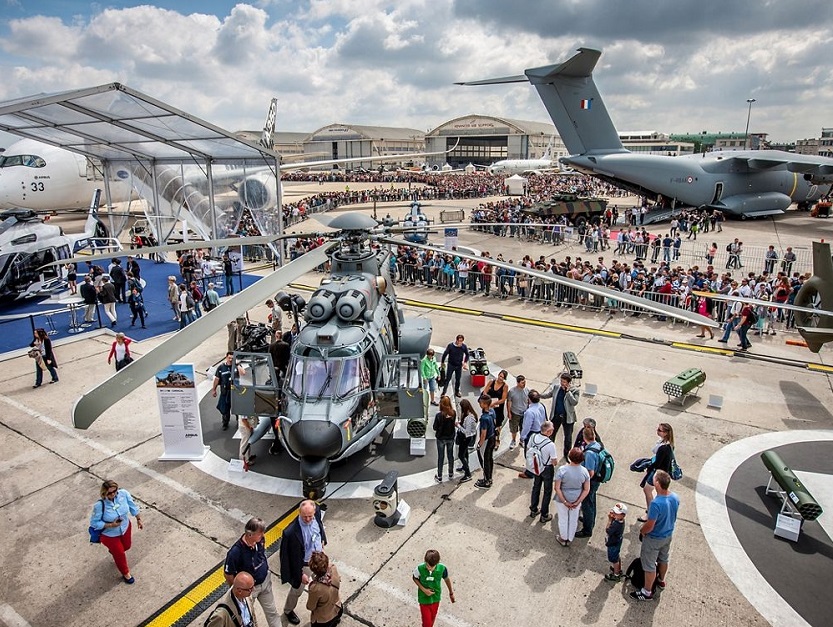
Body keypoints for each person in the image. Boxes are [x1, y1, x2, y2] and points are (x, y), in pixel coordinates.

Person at [631, 470, 680, 601]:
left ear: (657, 483)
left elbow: (650, 525)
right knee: (663, 559)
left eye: (654, 478)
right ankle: (661, 580)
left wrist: (642, 531)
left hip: (654, 538)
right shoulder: (675, 497)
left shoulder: (656, 503)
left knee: (649, 565)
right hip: (668, 535)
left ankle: (647, 591)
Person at [224, 517, 281, 627]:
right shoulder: (235, 552)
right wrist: (238, 589)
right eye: (260, 533)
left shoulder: (260, 540)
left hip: (265, 582)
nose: (263, 535)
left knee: (272, 612)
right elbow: (228, 573)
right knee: (247, 617)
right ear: (250, 535)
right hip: (249, 590)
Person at [280, 500, 328, 626]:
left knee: (325, 585)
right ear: (299, 513)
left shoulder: (316, 515)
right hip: (304, 565)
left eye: (310, 516)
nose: (307, 519)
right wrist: (299, 574)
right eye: (304, 516)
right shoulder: (290, 532)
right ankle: (288, 610)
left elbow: (320, 528)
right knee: (297, 591)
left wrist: (323, 541)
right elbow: (287, 557)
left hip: (319, 560)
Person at [89, 479, 143, 584]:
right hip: (109, 535)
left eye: (115, 491)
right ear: (104, 493)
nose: (113, 494)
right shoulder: (100, 505)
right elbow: (94, 523)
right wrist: (110, 525)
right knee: (120, 554)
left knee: (127, 546)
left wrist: (138, 519)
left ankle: (114, 551)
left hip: (125, 528)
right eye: (110, 493)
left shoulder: (124, 494)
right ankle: (125, 573)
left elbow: (132, 506)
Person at [553, 447, 590, 546]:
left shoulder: (562, 470)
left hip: (562, 498)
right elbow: (586, 489)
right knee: (573, 519)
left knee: (563, 518)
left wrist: (565, 501)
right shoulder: (584, 471)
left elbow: (557, 488)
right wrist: (578, 502)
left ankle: (563, 538)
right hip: (576, 498)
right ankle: (570, 538)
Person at [639, 423, 675, 521]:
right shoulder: (666, 444)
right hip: (661, 472)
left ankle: (650, 513)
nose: (657, 431)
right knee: (651, 491)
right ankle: (652, 511)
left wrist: (647, 466)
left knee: (647, 490)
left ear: (666, 433)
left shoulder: (664, 448)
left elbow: (658, 463)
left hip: (659, 473)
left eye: (660, 430)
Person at [540, 373, 580, 460]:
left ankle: (566, 454)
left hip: (567, 417)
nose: (562, 383)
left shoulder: (575, 390)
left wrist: (568, 392)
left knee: (568, 437)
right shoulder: (556, 388)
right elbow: (549, 395)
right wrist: (539, 395)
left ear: (569, 383)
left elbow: (574, 402)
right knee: (551, 434)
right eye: (561, 381)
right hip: (556, 415)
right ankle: (549, 452)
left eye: (564, 382)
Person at [413, 549, 455, 627]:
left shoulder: (442, 569)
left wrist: (451, 593)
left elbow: (447, 579)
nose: (429, 568)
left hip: (436, 598)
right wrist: (424, 590)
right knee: (427, 623)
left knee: (432, 618)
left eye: (432, 567)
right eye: (428, 565)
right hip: (424, 599)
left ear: (437, 563)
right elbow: (415, 578)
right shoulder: (419, 569)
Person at [574, 427, 602, 538]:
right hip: (596, 480)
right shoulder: (598, 446)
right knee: (592, 502)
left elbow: (590, 472)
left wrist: (583, 483)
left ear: (584, 438)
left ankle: (587, 529)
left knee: (587, 505)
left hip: (591, 482)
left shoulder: (590, 453)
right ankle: (590, 521)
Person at [528, 420, 557, 523]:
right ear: (548, 431)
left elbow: (529, 449)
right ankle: (544, 514)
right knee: (547, 491)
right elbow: (554, 461)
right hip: (547, 468)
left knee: (536, 486)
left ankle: (533, 509)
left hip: (536, 467)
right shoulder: (550, 444)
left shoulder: (533, 437)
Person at [306, 551, 343, 627]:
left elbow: (310, 606)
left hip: (324, 619)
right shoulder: (333, 568)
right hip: (337, 608)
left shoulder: (315, 588)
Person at [474, 394, 496, 489]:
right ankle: (489, 478)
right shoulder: (492, 411)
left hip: (487, 440)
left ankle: (486, 481)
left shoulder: (484, 418)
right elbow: (494, 422)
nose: (479, 404)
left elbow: (483, 433)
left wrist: (479, 444)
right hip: (492, 437)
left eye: (481, 403)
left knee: (484, 461)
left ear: (485, 404)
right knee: (490, 459)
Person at [482, 369, 509, 449]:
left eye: (502, 377)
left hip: (498, 408)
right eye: (500, 376)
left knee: (498, 425)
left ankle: (497, 440)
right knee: (487, 422)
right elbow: (485, 392)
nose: (500, 378)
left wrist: (494, 403)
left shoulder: (505, 386)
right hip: (489, 406)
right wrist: (489, 402)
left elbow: (503, 399)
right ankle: (487, 437)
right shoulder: (491, 382)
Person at [433, 395, 457, 482]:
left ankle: (439, 476)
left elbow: (435, 427)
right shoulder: (453, 413)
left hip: (441, 438)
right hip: (450, 437)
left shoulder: (439, 416)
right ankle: (451, 473)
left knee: (441, 457)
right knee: (450, 455)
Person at [603, 502, 628, 582]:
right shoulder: (620, 521)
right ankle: (618, 569)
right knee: (616, 556)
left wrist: (609, 520)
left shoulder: (616, 525)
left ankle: (616, 574)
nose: (614, 514)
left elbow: (608, 530)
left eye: (616, 513)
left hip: (613, 543)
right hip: (617, 541)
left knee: (614, 559)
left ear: (623, 515)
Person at [457, 398, 478, 483]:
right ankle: (464, 466)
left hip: (466, 438)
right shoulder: (467, 414)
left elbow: (467, 433)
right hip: (465, 437)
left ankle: (467, 473)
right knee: (465, 453)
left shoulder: (469, 418)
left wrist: (458, 426)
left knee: (461, 455)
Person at [213, 352, 236, 430]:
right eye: (229, 358)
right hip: (225, 392)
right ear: (226, 357)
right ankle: (225, 423)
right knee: (225, 409)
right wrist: (214, 390)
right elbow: (217, 379)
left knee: (237, 408)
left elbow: (243, 374)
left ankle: (239, 422)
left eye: (232, 358)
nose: (230, 360)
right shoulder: (221, 367)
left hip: (235, 393)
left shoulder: (236, 367)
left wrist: (238, 365)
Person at [440, 334, 468, 398]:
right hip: (451, 365)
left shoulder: (463, 346)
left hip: (459, 365)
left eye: (461, 341)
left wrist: (465, 362)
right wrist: (442, 362)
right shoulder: (451, 346)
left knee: (458, 379)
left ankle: (457, 391)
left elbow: (467, 354)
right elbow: (445, 354)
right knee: (448, 379)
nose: (460, 343)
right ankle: (444, 392)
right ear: (456, 340)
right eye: (459, 341)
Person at [505, 374, 529, 449]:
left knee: (523, 428)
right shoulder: (512, 391)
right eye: (522, 383)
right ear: (518, 383)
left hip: (524, 413)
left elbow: (529, 401)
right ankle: (513, 440)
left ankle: (522, 440)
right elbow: (508, 402)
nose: (524, 384)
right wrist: (509, 412)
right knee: (513, 429)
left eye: (525, 382)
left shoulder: (527, 390)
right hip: (515, 413)